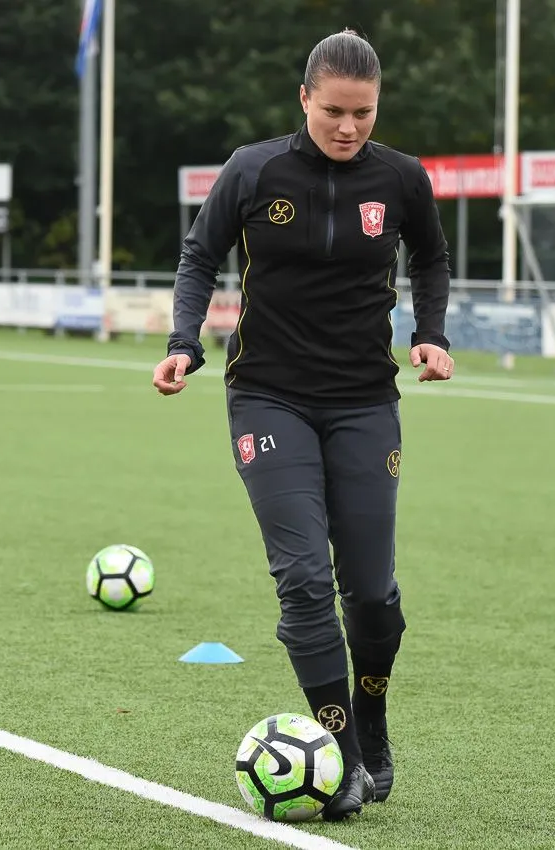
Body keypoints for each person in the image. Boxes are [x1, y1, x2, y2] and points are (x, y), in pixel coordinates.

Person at [153, 28, 454, 821]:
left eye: (363, 113)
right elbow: (198, 257)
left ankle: (372, 711)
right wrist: (185, 344)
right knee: (303, 580)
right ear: (304, 101)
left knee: (374, 596)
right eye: (333, 113)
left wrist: (432, 334)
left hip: (364, 402)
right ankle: (345, 753)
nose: (349, 128)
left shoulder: (402, 177)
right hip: (268, 397)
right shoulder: (254, 169)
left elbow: (430, 257)